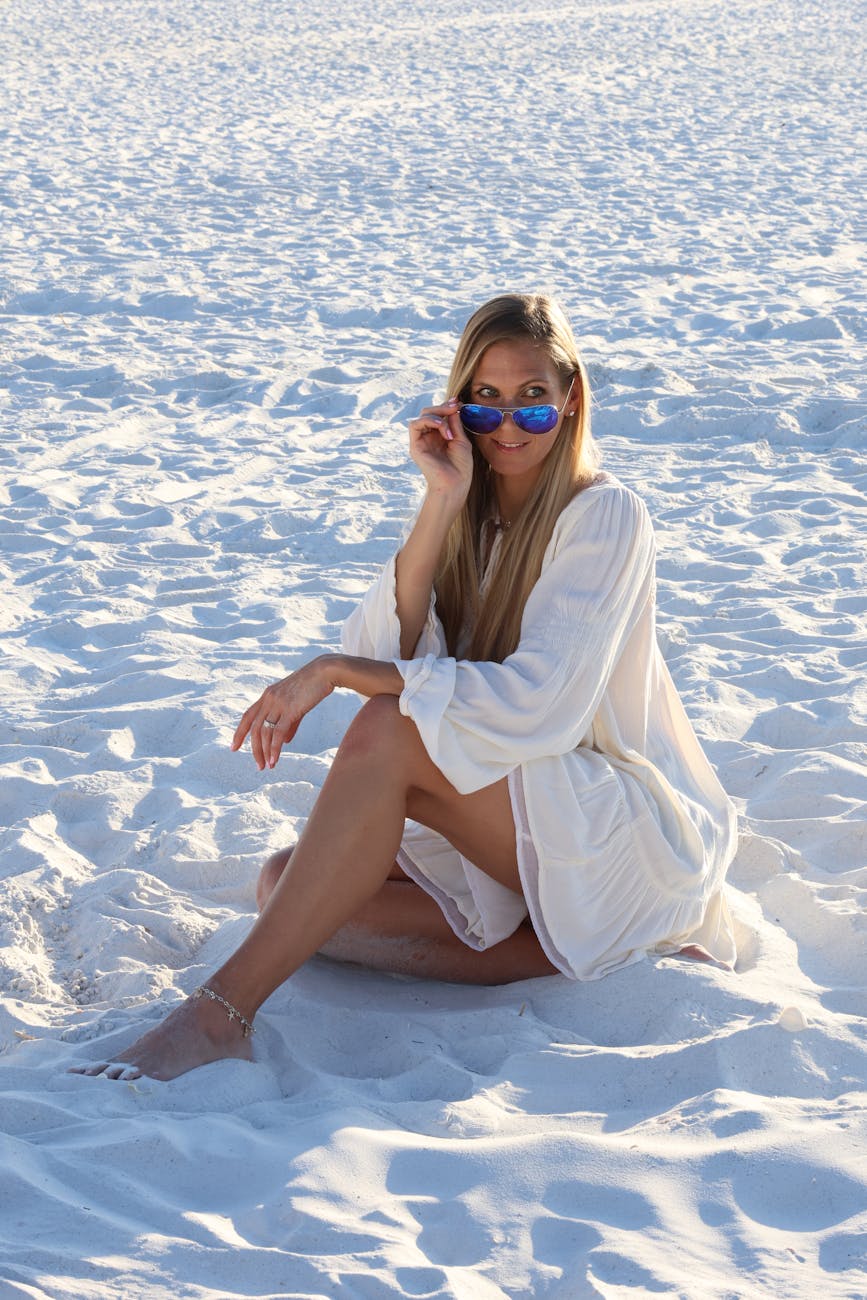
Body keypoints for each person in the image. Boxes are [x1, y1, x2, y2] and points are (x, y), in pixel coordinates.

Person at [70, 293, 737, 1083]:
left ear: (570, 401)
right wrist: (439, 501)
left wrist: (333, 672)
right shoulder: (465, 511)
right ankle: (571, 952)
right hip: (529, 829)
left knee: (386, 730)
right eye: (484, 403)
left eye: (533, 401)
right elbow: (385, 643)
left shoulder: (605, 515)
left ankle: (220, 1017)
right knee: (284, 886)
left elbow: (541, 704)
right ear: (457, 408)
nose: (510, 426)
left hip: (611, 828)